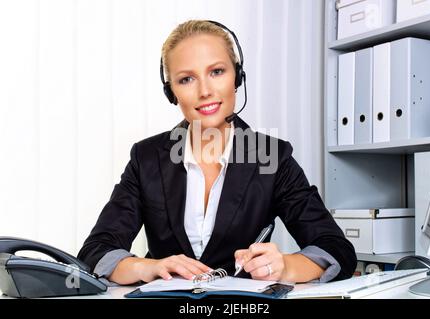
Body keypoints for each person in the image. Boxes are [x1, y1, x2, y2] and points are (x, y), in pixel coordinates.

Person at [77, 20, 356, 285]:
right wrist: (147, 266)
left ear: (237, 77)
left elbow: (335, 249)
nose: (205, 91)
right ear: (171, 92)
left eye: (217, 72)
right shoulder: (146, 157)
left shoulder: (272, 156)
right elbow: (95, 251)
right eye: (186, 79)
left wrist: (284, 265)